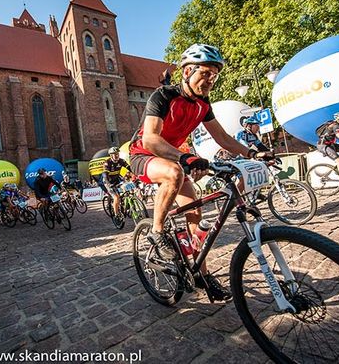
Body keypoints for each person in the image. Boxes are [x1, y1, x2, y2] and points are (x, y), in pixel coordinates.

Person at [129, 43, 272, 301]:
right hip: (144, 155)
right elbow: (150, 139)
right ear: (187, 72)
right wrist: (187, 157)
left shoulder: (203, 105)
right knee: (174, 173)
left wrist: (253, 153)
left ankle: (201, 276)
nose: (210, 81)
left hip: (175, 156)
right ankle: (157, 232)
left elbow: (223, 138)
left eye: (214, 76)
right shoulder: (163, 96)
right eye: (205, 74)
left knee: (195, 214)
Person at [102, 146, 131, 224]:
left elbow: (130, 168)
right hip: (108, 181)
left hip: (117, 179)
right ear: (111, 155)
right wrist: (108, 184)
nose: (116, 155)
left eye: (117, 154)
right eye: (114, 154)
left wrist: (137, 173)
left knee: (127, 191)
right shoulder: (107, 163)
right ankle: (116, 214)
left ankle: (128, 207)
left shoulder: (121, 161)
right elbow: (105, 175)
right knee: (116, 198)